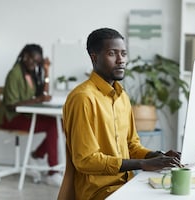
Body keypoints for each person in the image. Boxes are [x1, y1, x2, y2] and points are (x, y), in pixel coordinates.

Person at [61, 28, 181, 200]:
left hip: (127, 185)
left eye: (123, 54)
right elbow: (86, 160)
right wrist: (142, 164)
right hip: (98, 192)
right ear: (94, 57)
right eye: (112, 53)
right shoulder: (83, 98)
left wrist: (157, 156)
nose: (121, 60)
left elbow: (132, 146)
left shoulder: (122, 96)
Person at [0, 44, 62, 187]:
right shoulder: (14, 73)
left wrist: (46, 71)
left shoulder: (30, 73)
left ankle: (38, 155)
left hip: (25, 115)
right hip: (10, 118)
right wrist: (37, 100)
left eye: (37, 62)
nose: (34, 65)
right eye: (33, 60)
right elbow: (10, 105)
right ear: (25, 57)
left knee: (60, 123)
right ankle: (52, 173)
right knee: (52, 125)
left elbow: (42, 94)